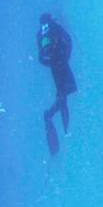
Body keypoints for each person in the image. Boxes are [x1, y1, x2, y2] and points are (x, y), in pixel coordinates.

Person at [37, 13, 76, 156]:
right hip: (60, 65)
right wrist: (63, 58)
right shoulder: (52, 29)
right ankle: (64, 127)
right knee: (63, 95)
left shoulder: (43, 33)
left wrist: (53, 61)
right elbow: (68, 41)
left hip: (57, 65)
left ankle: (63, 126)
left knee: (63, 95)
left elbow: (41, 57)